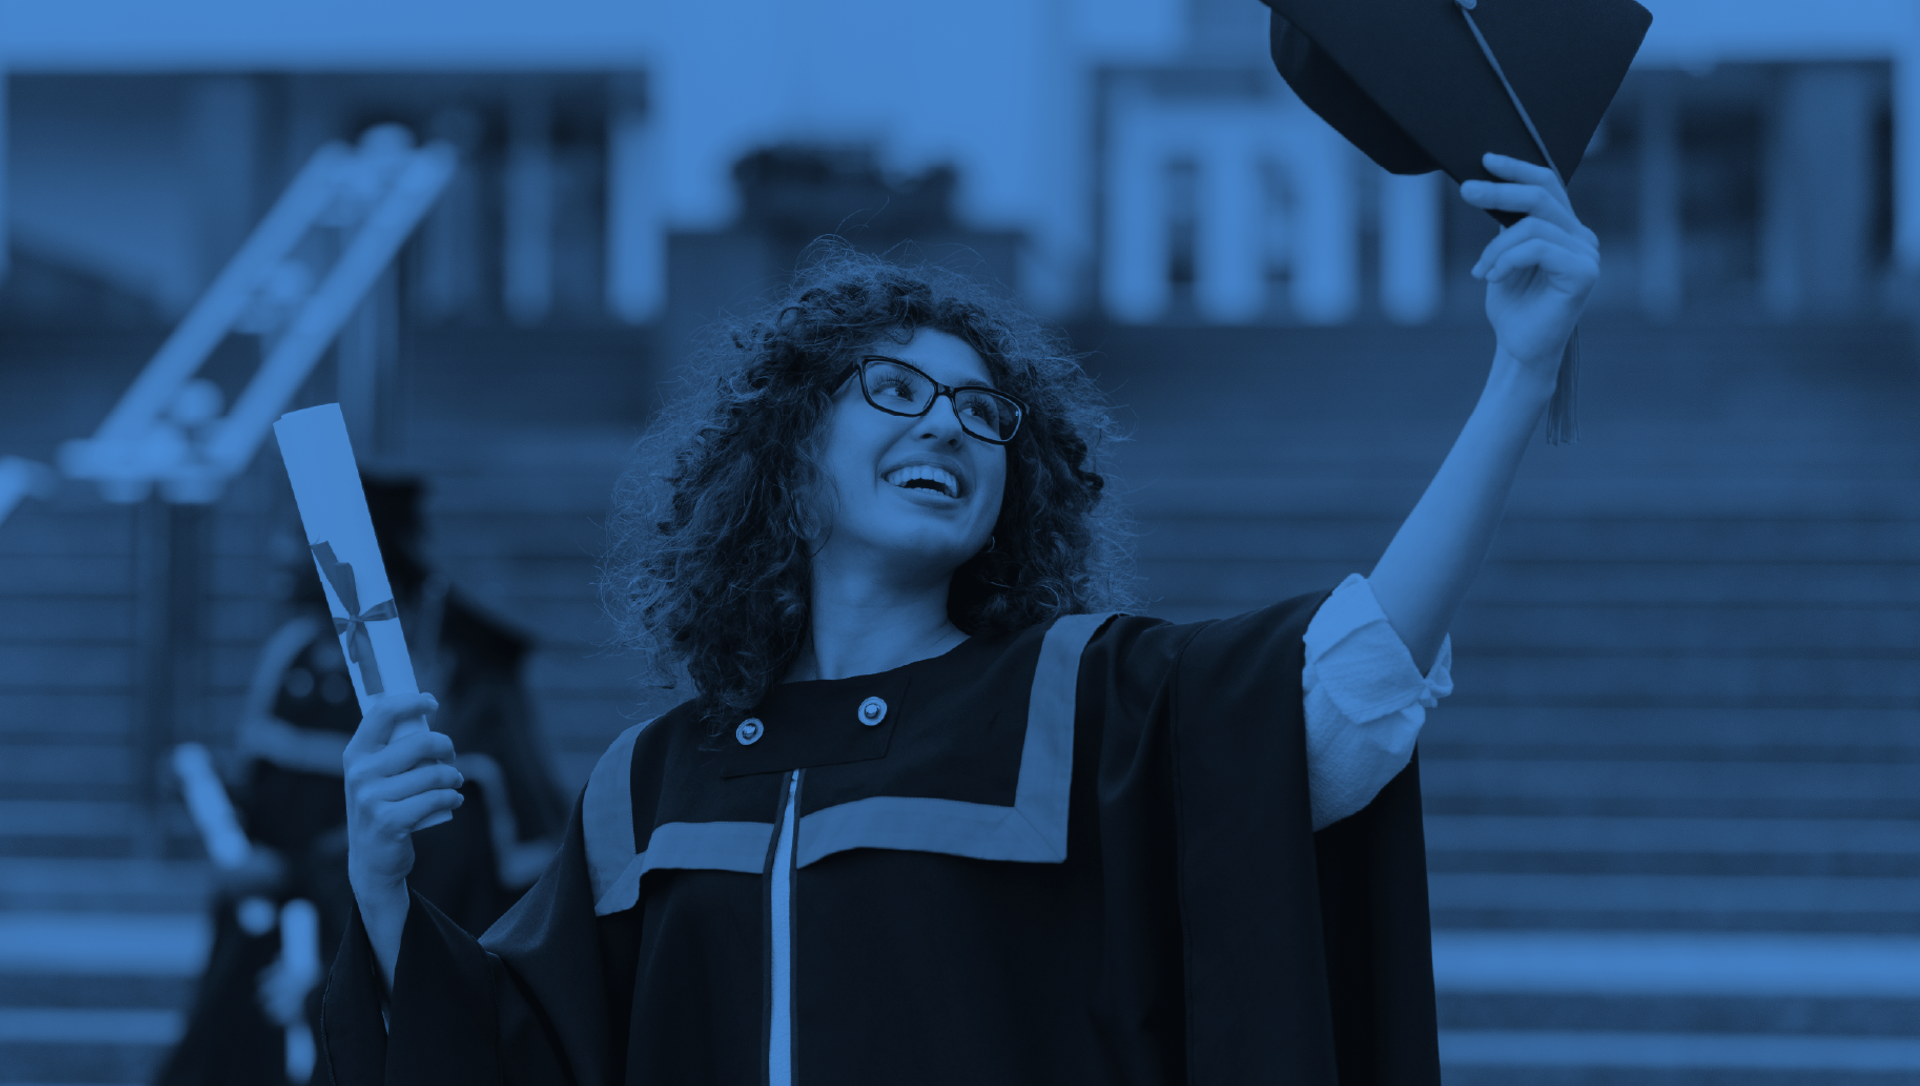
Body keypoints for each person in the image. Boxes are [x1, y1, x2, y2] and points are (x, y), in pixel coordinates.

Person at [319, 167, 1594, 1084]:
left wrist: (1517, 376)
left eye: (984, 414)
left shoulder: (1077, 704)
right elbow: (509, 1049)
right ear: (789, 451)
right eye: (895, 390)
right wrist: (383, 879)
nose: (946, 424)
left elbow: (1348, 689)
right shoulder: (654, 786)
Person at [156, 475, 568, 1086]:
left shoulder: (445, 667)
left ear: (355, 553)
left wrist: (303, 887)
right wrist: (215, 798)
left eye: (296, 536)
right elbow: (270, 790)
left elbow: (454, 833)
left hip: (380, 933)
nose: (276, 551)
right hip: (270, 924)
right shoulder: (294, 652)